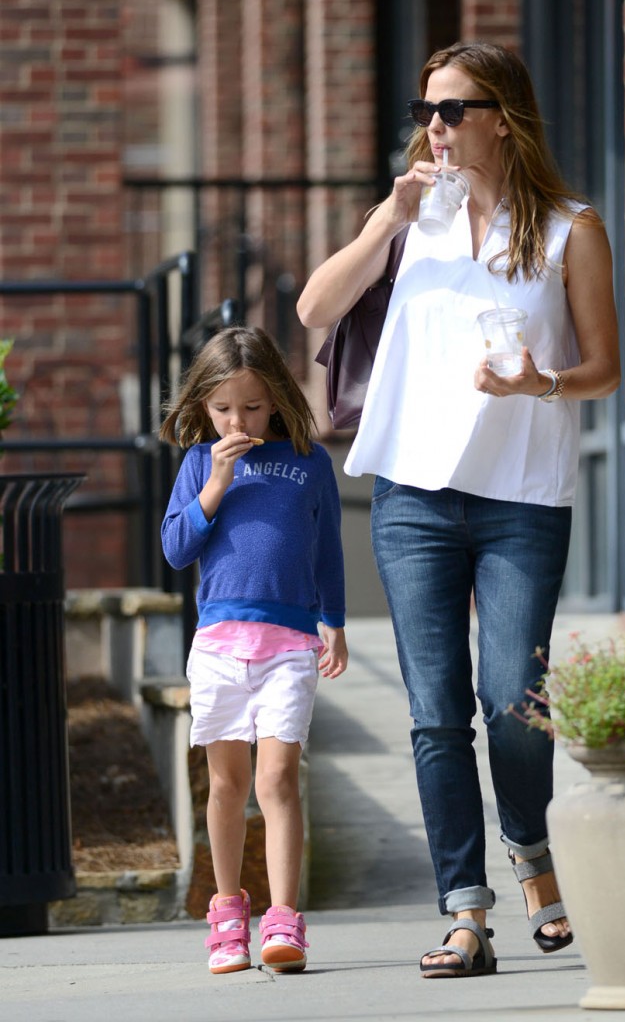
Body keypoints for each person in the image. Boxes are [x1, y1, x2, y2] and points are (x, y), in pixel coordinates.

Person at [297, 41, 620, 978]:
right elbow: (319, 308)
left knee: (511, 705)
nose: (431, 126)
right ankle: (465, 912)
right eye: (424, 110)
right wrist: (381, 225)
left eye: (450, 110)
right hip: (410, 497)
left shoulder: (570, 228)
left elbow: (603, 367)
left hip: (521, 495)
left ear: (501, 117)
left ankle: (532, 850)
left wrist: (539, 383)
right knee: (435, 713)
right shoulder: (412, 221)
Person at [159, 325, 348, 975]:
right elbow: (177, 549)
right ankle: (227, 915)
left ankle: (285, 922)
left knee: (276, 780)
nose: (236, 419)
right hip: (217, 643)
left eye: (250, 405)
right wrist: (215, 482)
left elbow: (326, 546)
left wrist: (336, 620)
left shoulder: (307, 462)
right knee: (226, 783)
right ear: (202, 408)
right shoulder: (195, 464)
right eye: (221, 409)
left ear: (274, 399)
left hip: (289, 644)